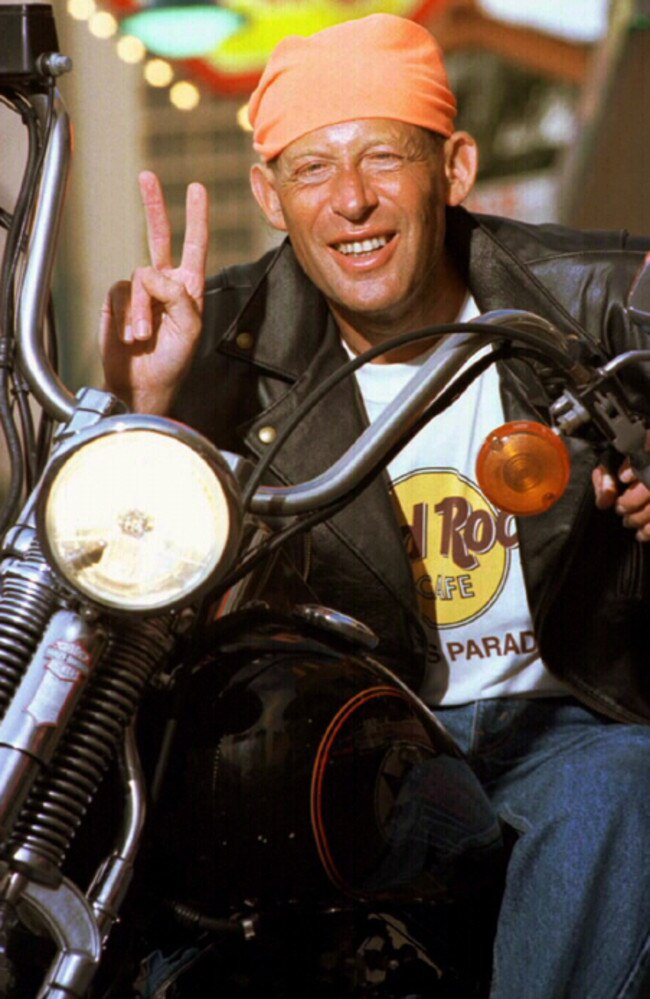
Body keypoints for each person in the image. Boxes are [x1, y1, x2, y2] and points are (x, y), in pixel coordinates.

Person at [101, 14, 650, 997]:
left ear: (454, 167)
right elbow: (115, 564)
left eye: (383, 158)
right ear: (270, 196)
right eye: (311, 170)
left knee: (614, 789)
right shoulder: (215, 340)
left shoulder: (600, 302)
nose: (350, 200)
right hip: (351, 727)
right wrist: (148, 406)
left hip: (563, 719)